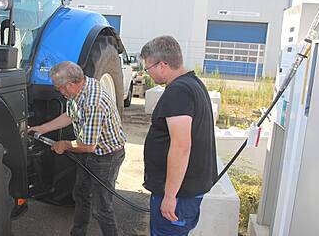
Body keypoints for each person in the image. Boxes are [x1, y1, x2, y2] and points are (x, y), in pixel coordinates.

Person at [29, 61, 126, 236]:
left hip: (106, 156)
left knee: (101, 207)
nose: (59, 91)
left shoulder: (93, 102)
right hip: (90, 153)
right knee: (81, 195)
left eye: (59, 87)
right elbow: (70, 115)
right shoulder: (80, 91)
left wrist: (64, 144)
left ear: (70, 84)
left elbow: (87, 146)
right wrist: (42, 128)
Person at [140, 36, 218, 236]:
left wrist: (170, 195)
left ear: (163, 64)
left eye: (148, 68)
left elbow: (181, 146)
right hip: (186, 189)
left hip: (179, 194)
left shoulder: (179, 91)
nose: (147, 73)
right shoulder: (193, 84)